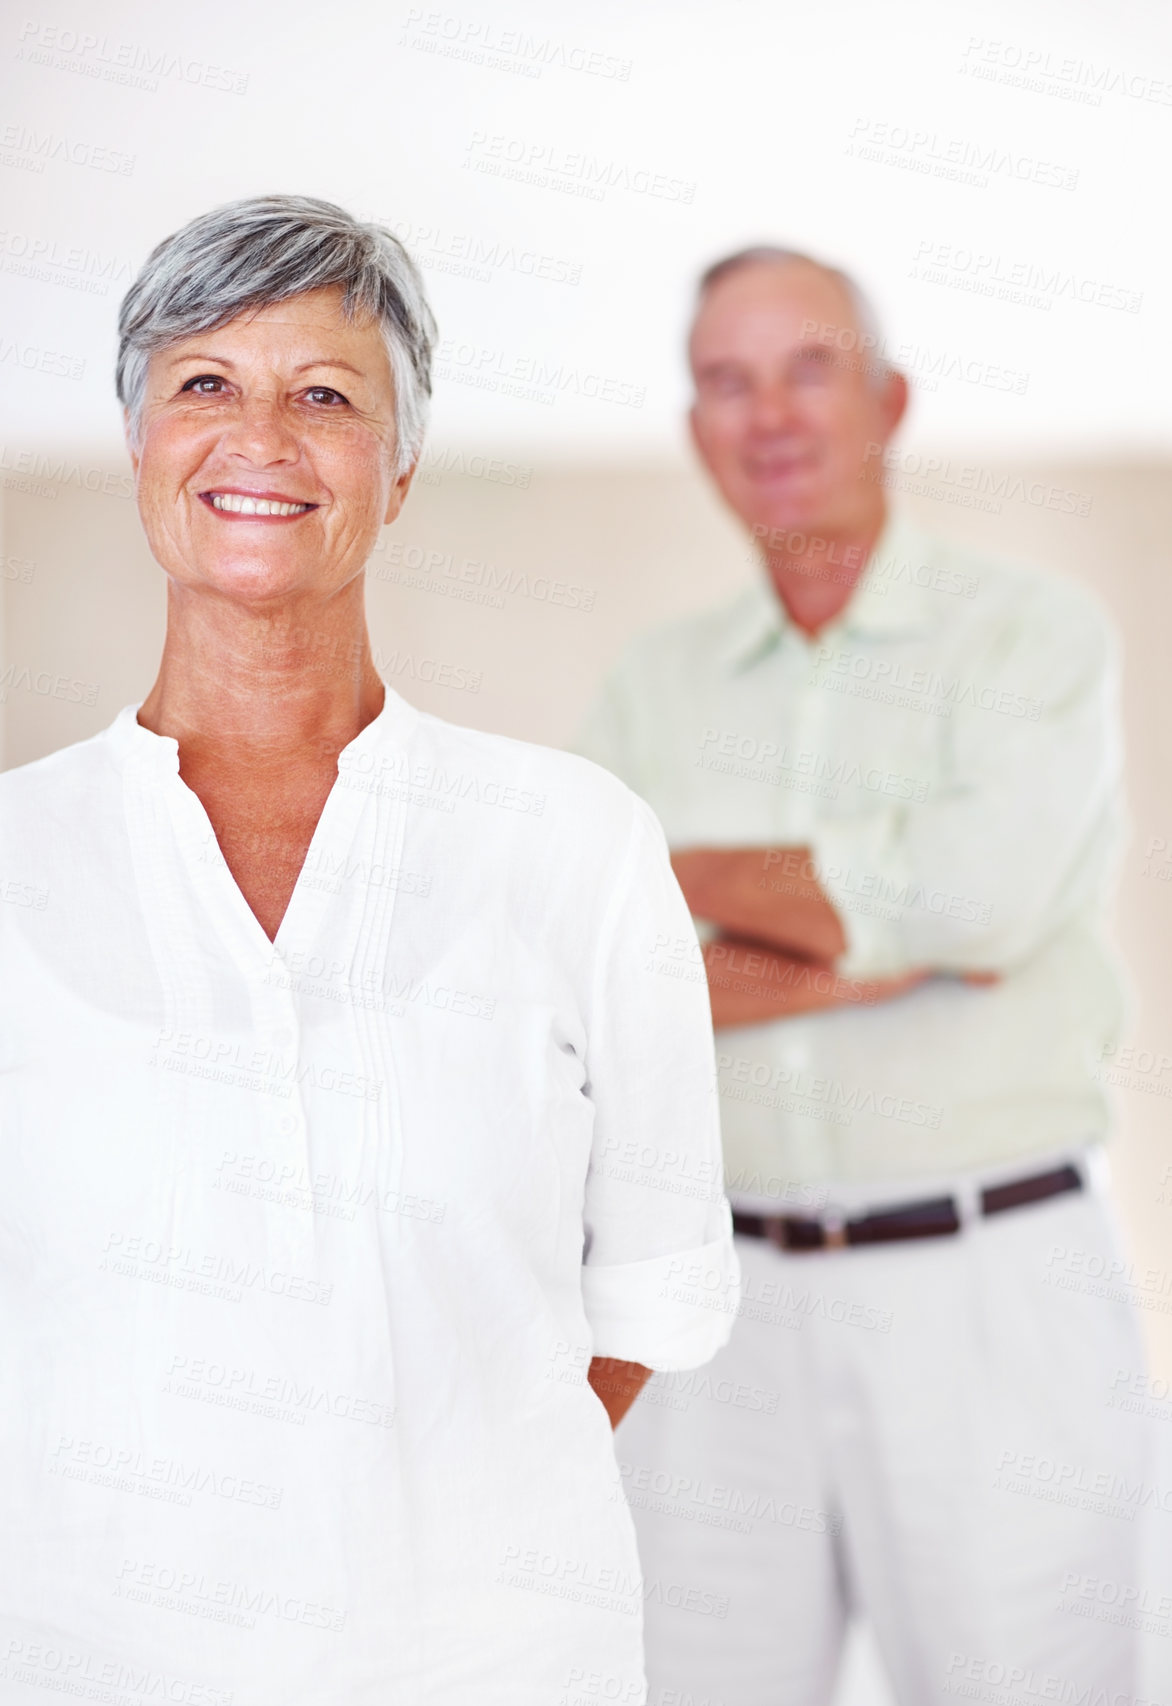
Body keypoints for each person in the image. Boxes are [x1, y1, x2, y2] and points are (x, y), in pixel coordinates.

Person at [0, 196, 739, 1706]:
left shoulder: (575, 847)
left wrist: (422, 1521)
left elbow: (656, 1294)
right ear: (137, 439)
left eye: (325, 396)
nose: (260, 436)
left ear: (397, 471)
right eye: (204, 382)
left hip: (498, 1666)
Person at [573, 247, 1152, 1705]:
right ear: (694, 428)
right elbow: (598, 971)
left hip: (992, 1286)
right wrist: (888, 938)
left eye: (807, 368)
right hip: (717, 1305)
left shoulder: (1033, 634)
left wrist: (689, 883)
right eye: (725, 381)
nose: (768, 413)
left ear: (888, 398)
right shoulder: (654, 681)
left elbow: (991, 893)